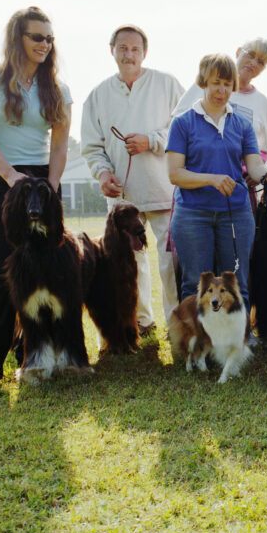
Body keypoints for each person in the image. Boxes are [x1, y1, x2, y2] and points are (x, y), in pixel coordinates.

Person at [0, 6, 72, 391]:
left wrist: (53, 184)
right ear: (18, 39)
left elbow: (59, 146)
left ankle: (30, 351)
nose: (45, 44)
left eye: (49, 38)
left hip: (42, 181)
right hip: (0, 179)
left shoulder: (56, 88)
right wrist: (11, 177)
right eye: (37, 37)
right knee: (6, 268)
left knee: (40, 267)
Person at [81, 24, 183, 335]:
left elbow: (185, 128)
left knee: (170, 263)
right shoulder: (97, 95)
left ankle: (177, 322)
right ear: (111, 50)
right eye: (123, 48)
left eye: (135, 49)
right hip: (123, 199)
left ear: (144, 52)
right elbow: (91, 146)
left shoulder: (167, 84)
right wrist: (102, 173)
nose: (129, 54)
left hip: (165, 191)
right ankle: (141, 321)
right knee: (129, 264)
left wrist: (151, 141)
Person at [166, 54, 267, 316]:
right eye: (216, 83)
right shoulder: (182, 123)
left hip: (236, 214)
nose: (222, 90)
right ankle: (197, 348)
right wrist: (211, 179)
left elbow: (255, 167)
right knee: (195, 285)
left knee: (235, 284)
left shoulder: (242, 125)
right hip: (192, 214)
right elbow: (175, 174)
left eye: (227, 83)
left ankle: (237, 345)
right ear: (203, 82)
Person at [172, 38, 267, 154]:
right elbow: (176, 126)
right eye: (250, 55)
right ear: (238, 52)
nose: (253, 63)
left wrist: (246, 169)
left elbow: (261, 150)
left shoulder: (263, 103)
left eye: (260, 62)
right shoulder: (206, 84)